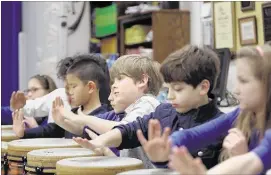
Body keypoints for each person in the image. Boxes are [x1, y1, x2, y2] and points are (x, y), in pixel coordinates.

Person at [73, 45, 224, 169]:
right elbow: (130, 130)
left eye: (178, 89)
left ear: (203, 87)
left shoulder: (223, 126)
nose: (170, 96)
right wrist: (101, 141)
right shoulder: (164, 112)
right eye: (168, 88)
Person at [139, 45, 271, 173]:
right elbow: (193, 135)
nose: (236, 90)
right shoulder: (241, 114)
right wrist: (166, 147)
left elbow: (253, 162)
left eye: (243, 81)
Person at [55, 54, 163, 168]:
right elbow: (85, 127)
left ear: (142, 81)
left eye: (120, 78)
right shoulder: (126, 112)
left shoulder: (148, 103)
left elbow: (123, 129)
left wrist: (81, 118)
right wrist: (62, 121)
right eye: (113, 81)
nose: (114, 85)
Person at [12, 54, 110, 139]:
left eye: (73, 86)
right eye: (67, 86)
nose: (69, 91)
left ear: (90, 87)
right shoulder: (73, 111)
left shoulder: (105, 117)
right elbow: (53, 130)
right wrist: (24, 133)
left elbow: (85, 129)